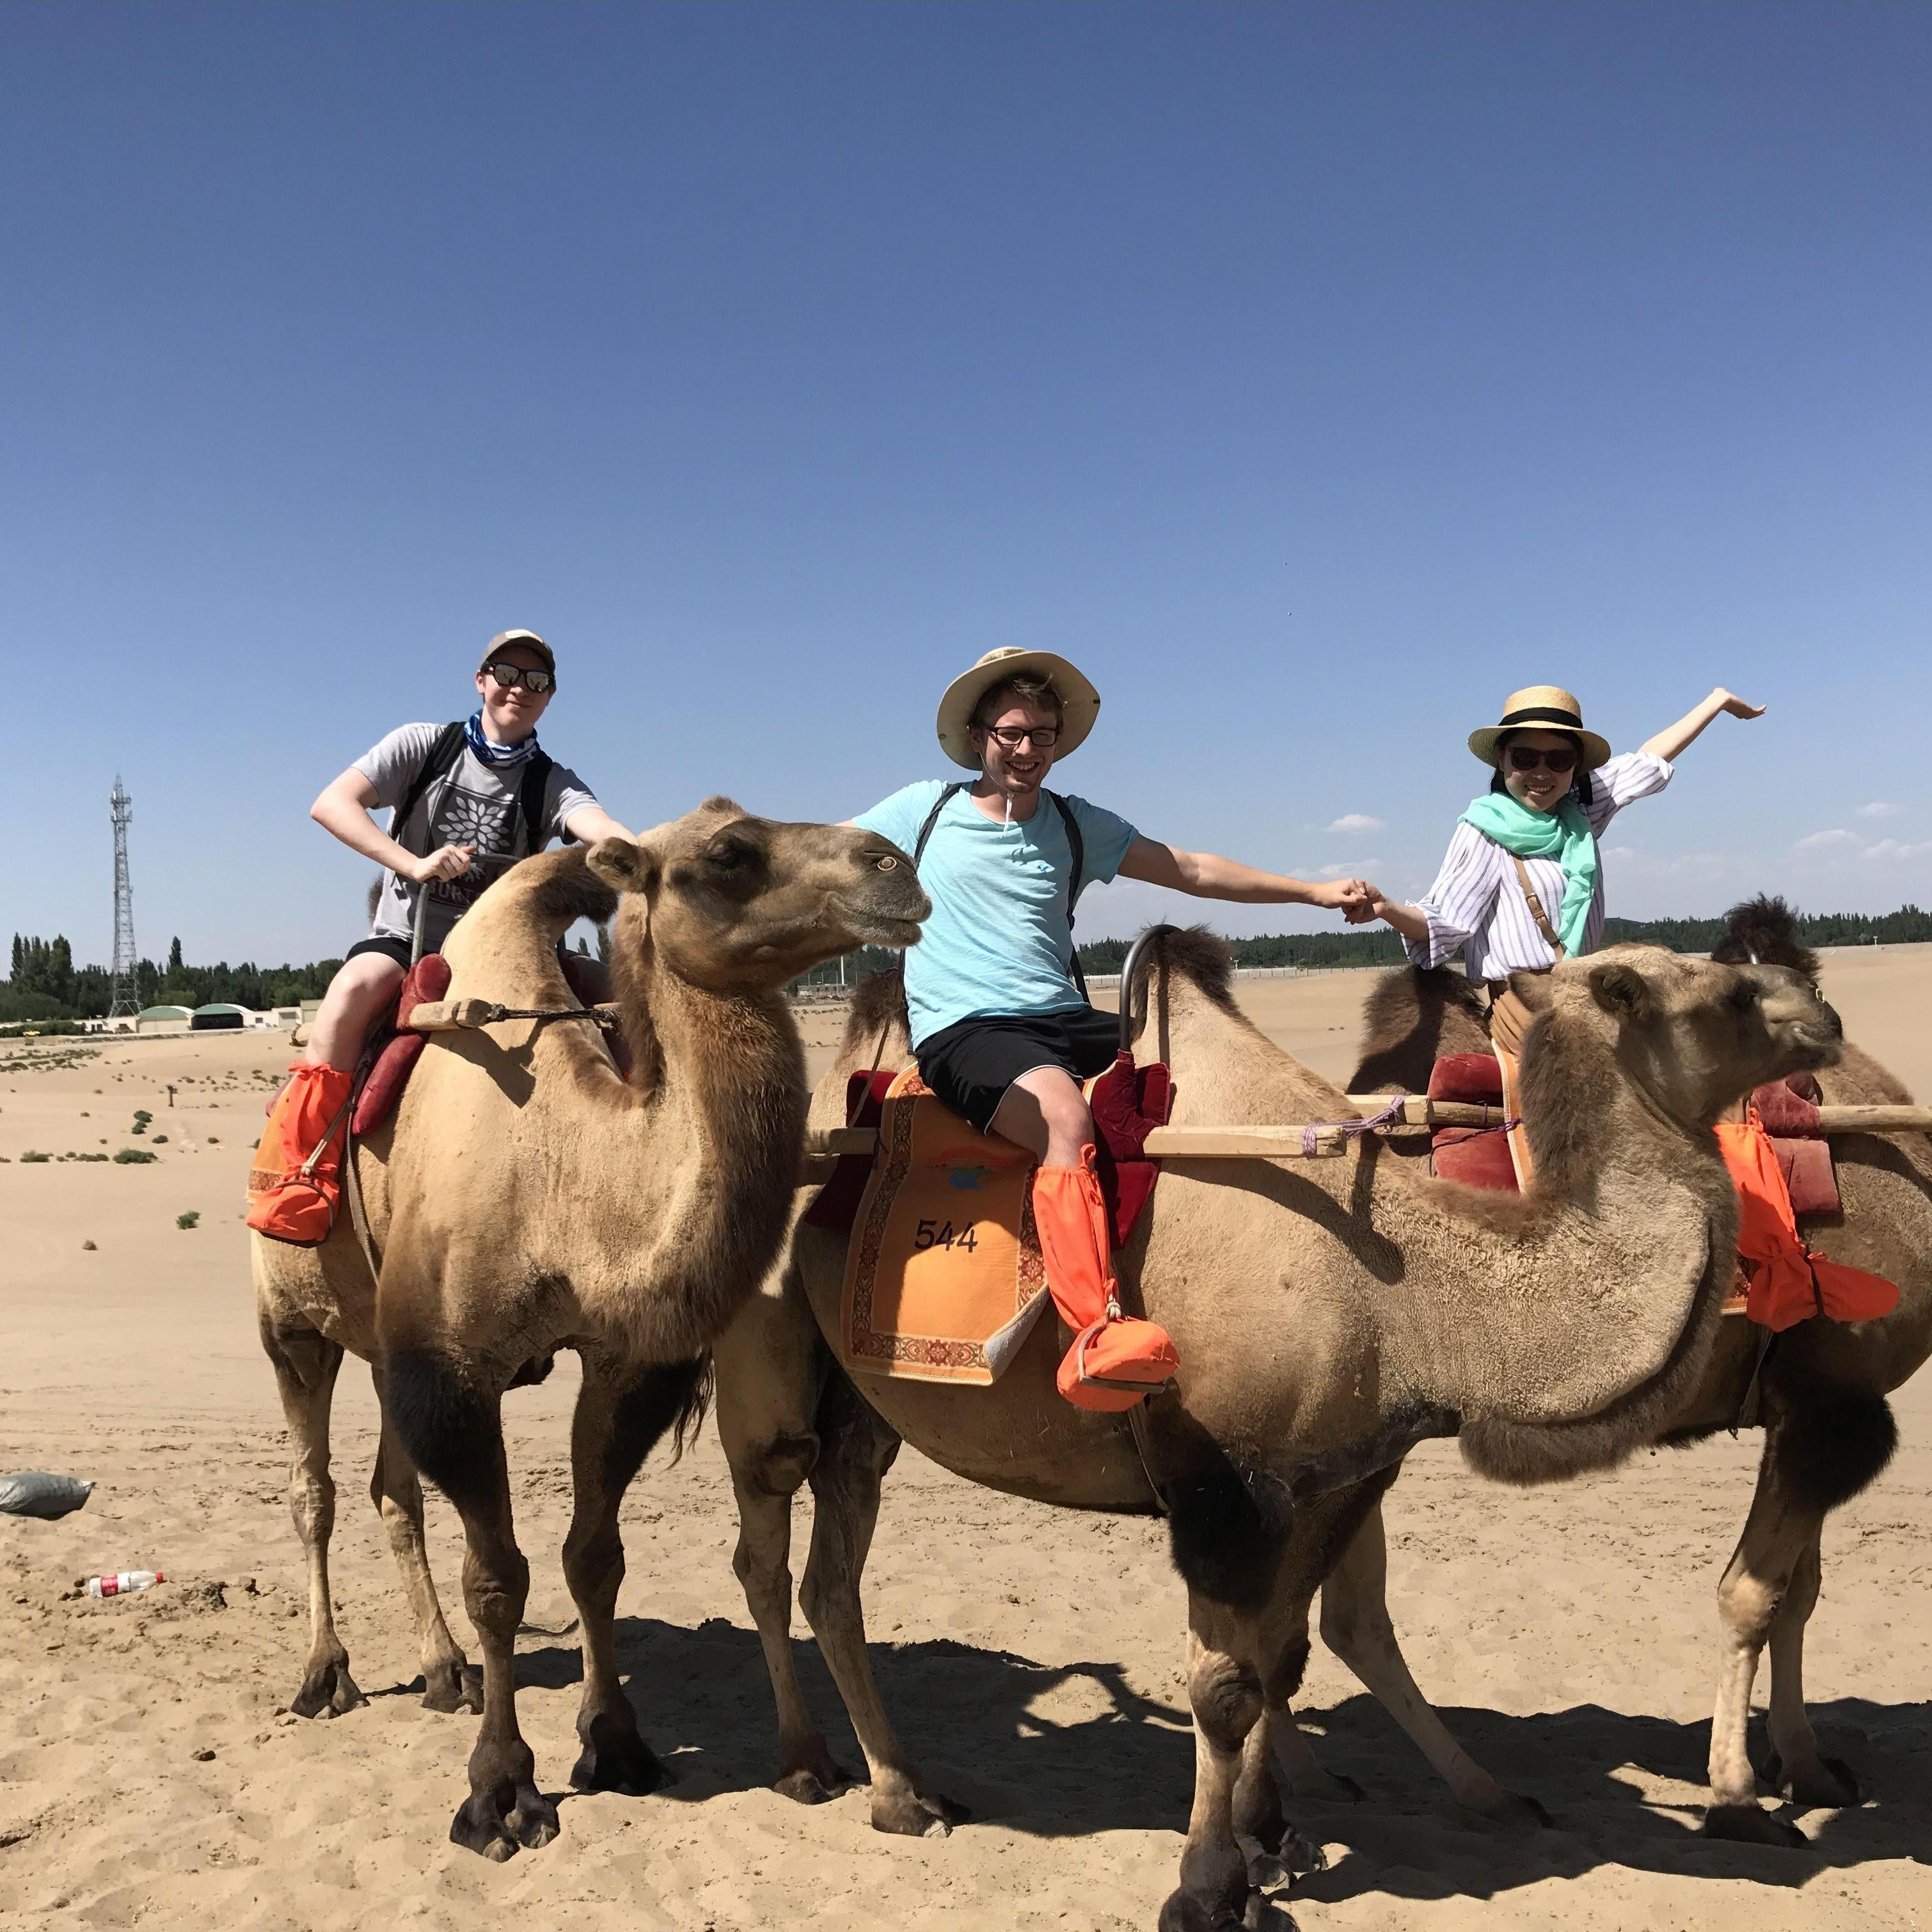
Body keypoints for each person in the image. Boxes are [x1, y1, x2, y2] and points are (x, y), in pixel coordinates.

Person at [851, 647, 1368, 1411]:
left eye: (1043, 736)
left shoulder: (1071, 821)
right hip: (966, 1028)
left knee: (1189, 1071)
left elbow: (1188, 868)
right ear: (977, 734)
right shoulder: (919, 813)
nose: (1028, 751)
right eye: (1012, 734)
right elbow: (818, 850)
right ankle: (1095, 1331)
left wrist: (1312, 891)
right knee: (1064, 1115)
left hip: (1062, 1015)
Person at [248, 629, 632, 1244]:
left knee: (625, 1003)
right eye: (507, 672)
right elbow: (332, 803)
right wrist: (412, 864)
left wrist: (652, 853)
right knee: (352, 992)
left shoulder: (550, 782)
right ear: (481, 680)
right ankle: (300, 1172)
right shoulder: (425, 746)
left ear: (549, 697)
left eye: (536, 681)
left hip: (512, 953)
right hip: (413, 937)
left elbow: (600, 827)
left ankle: (636, 1169)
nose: (519, 688)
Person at [1347, 682, 1764, 1184]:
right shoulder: (1483, 830)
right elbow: (1447, 923)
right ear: (1503, 760)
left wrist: (1715, 704)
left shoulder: (1580, 811)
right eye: (1526, 757)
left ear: (1575, 766)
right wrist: (1389, 908)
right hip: (1527, 1005)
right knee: (1597, 1122)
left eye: (1559, 759)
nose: (1542, 773)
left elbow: (1649, 760)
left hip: (1588, 994)